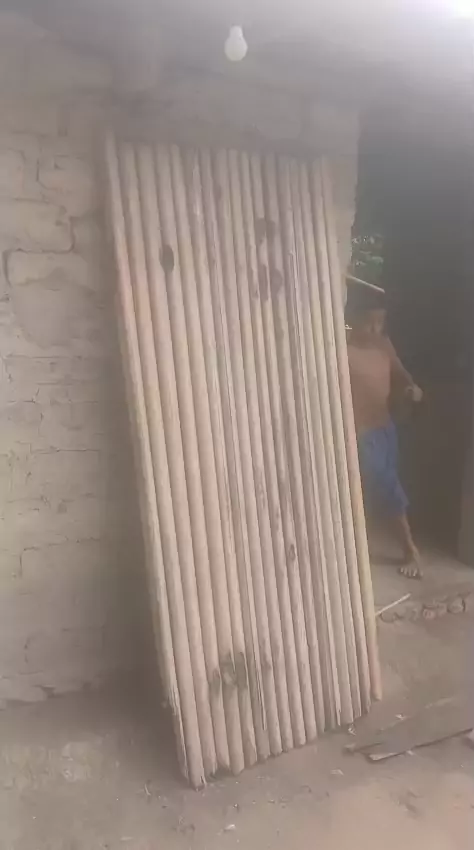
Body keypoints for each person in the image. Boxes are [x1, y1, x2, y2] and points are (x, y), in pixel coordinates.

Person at [347, 289, 423, 578]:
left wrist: (411, 388)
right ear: (353, 319)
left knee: (382, 487)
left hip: (386, 429)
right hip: (361, 433)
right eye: (369, 322)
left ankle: (359, 545)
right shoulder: (342, 350)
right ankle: (411, 550)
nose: (375, 329)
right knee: (388, 487)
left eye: (380, 322)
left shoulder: (384, 346)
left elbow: (402, 374)